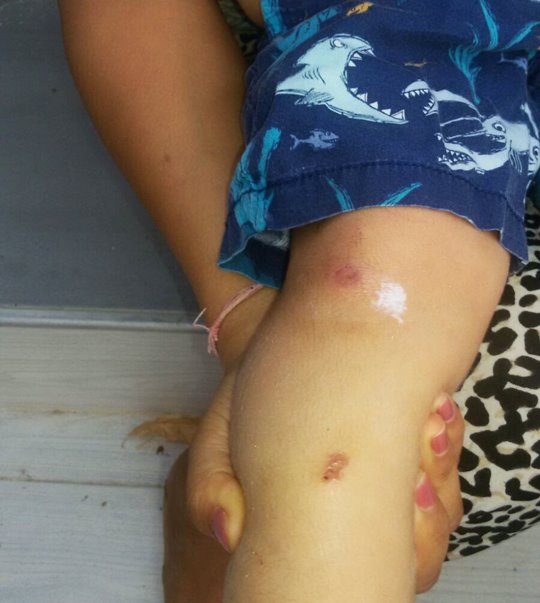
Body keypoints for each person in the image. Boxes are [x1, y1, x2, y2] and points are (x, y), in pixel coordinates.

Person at [57, 1, 540, 601]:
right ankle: (245, 521)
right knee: (383, 425)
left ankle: (257, 504)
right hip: (411, 39)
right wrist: (247, 318)